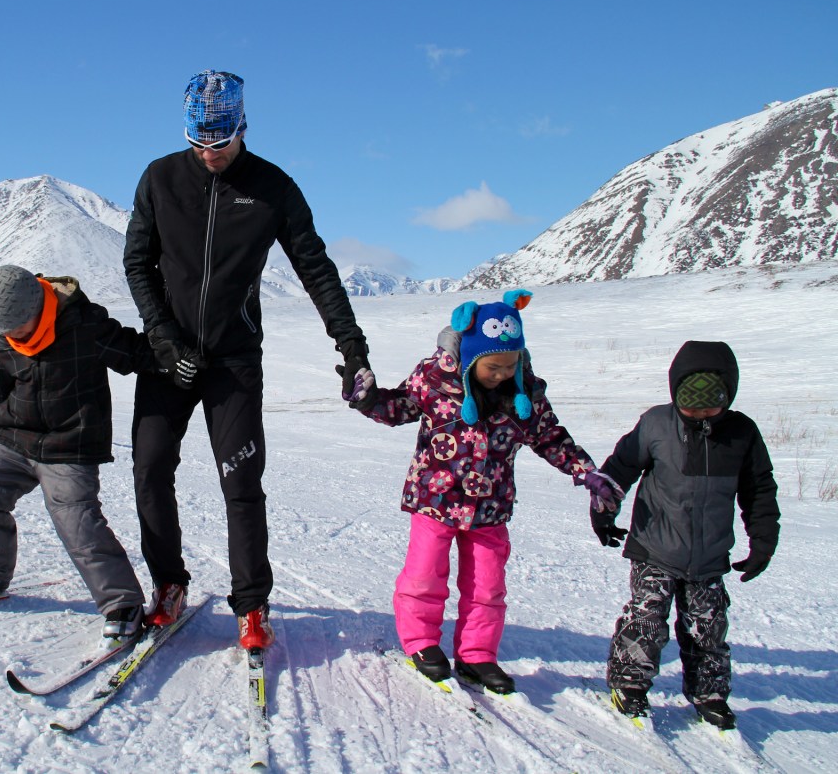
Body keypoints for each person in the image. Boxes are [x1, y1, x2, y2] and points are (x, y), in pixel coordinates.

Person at [123, 69, 372, 650]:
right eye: (199, 143)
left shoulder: (273, 187)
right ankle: (168, 584)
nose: (210, 154)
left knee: (241, 480)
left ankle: (252, 606)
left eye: (222, 141)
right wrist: (164, 341)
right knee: (150, 468)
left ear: (243, 127)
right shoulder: (160, 179)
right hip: (168, 358)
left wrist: (352, 346)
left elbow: (316, 269)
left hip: (233, 360)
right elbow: (138, 263)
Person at [347, 289, 622, 693]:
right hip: (434, 500)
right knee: (425, 576)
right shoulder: (434, 379)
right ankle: (422, 642)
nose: (502, 374)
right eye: (493, 367)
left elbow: (549, 437)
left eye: (511, 364)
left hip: (490, 507)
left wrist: (587, 472)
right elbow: (398, 409)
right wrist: (366, 399)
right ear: (472, 357)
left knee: (487, 586)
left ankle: (477, 654)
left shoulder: (524, 392)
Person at [0, 265, 157, 642]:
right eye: (5, 330)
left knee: (77, 521)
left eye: (17, 327)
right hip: (17, 439)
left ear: (35, 309)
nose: (12, 336)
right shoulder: (4, 338)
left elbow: (138, 354)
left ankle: (121, 602)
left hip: (70, 445)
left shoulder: (84, 325)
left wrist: (180, 354)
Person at [592, 340, 779, 730]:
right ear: (675, 394)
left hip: (709, 555)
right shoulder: (657, 424)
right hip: (654, 547)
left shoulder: (742, 434)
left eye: (711, 407)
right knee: (646, 621)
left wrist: (763, 541)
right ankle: (629, 685)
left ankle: (710, 695)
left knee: (708, 629)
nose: (700, 415)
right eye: (690, 407)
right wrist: (604, 512)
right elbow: (620, 468)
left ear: (728, 397)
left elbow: (759, 489)